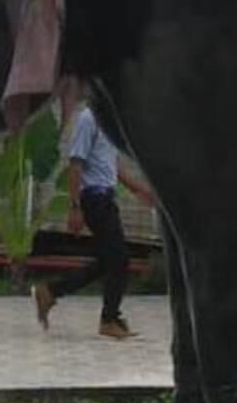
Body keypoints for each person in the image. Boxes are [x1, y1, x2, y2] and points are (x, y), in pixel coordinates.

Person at [34, 84, 151, 340]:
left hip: (105, 197)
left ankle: (51, 291)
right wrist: (75, 208)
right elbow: (76, 163)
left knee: (109, 261)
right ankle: (109, 319)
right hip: (94, 199)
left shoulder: (109, 123)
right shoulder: (89, 119)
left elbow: (111, 163)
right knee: (119, 259)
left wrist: (138, 189)